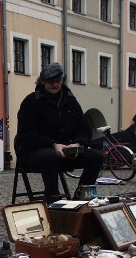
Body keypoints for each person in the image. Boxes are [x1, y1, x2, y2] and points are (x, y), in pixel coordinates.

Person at [15, 62, 103, 203]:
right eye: (51, 82)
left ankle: (81, 196)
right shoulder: (31, 102)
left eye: (58, 81)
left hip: (67, 151)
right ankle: (54, 200)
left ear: (62, 81)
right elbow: (26, 136)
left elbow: (84, 128)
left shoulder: (70, 101)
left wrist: (78, 143)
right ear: (43, 82)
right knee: (50, 157)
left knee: (96, 157)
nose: (55, 85)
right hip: (36, 152)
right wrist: (53, 145)